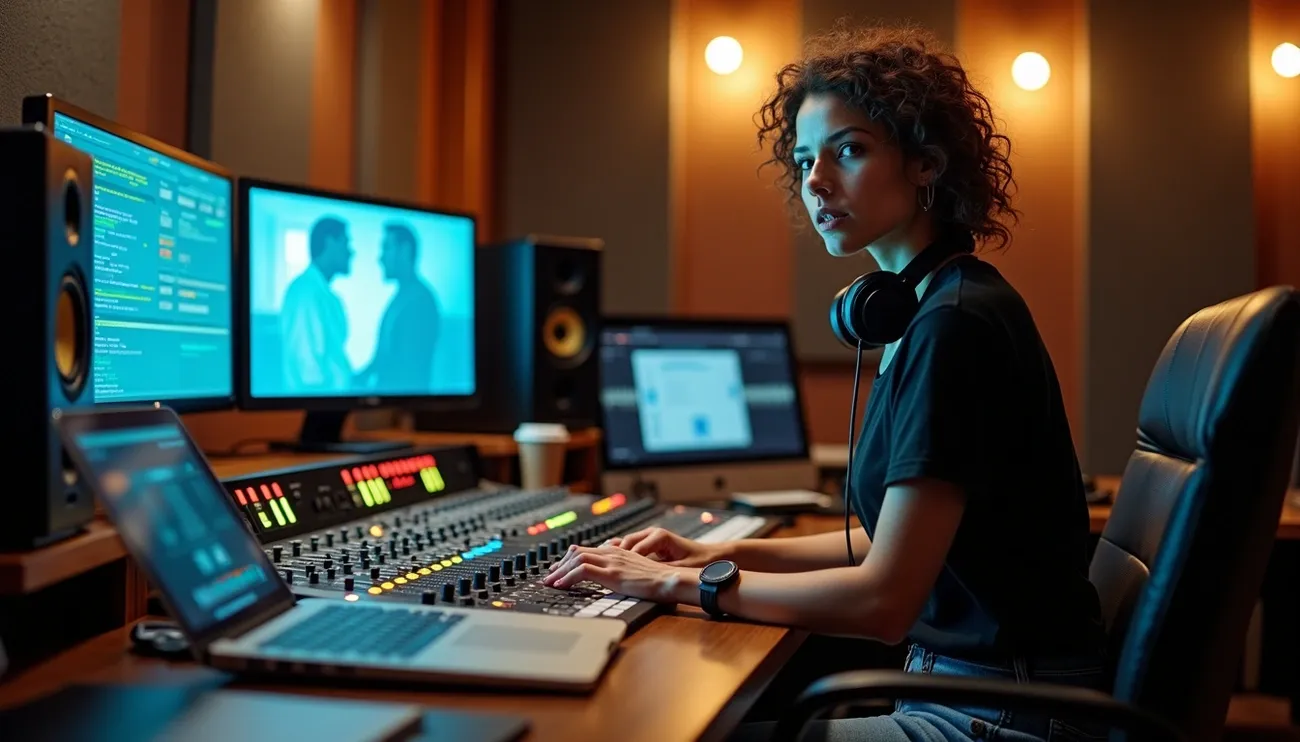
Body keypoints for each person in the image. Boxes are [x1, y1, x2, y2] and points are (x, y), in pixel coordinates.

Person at [544, 24, 1109, 742]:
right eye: (805, 159)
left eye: (849, 150)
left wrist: (673, 584)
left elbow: (882, 600)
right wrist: (712, 554)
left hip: (1001, 713)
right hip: (973, 687)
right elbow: (877, 543)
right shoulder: (930, 307)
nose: (815, 181)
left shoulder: (954, 326)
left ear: (927, 163)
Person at [355, 222, 440, 394]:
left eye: (386, 248)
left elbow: (407, 371)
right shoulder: (402, 298)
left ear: (405, 251)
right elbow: (383, 358)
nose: (380, 258)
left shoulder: (420, 302)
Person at [280, 216, 353, 394]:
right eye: (345, 242)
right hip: (321, 402)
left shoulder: (324, 294)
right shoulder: (306, 291)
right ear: (329, 242)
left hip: (332, 403)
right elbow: (308, 367)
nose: (351, 252)